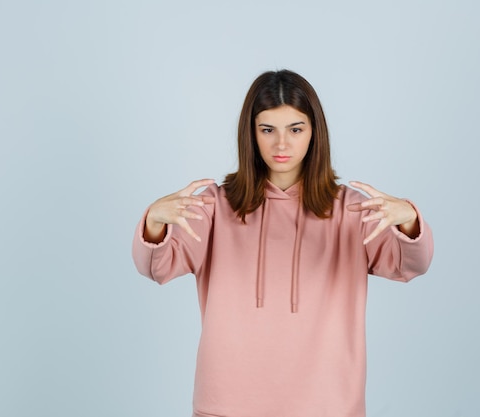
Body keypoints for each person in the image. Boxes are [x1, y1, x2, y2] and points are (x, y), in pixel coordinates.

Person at [132, 69, 434, 417]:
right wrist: (154, 223)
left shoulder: (351, 209)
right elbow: (158, 266)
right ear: (251, 134)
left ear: (313, 132)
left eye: (295, 129)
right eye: (267, 129)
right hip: (226, 405)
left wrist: (409, 221)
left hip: (329, 406)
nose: (281, 144)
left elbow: (410, 264)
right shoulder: (214, 206)